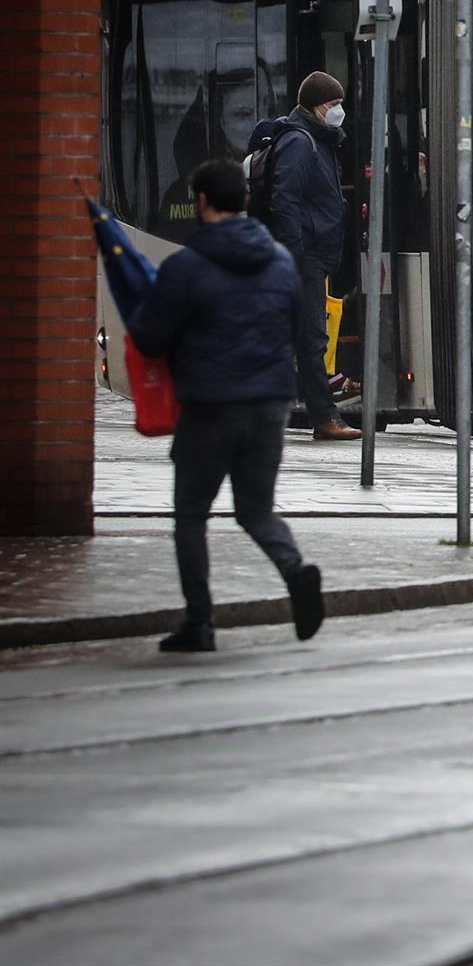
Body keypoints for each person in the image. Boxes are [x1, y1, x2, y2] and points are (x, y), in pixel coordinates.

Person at [128, 158, 325, 653]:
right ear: (245, 201)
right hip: (271, 405)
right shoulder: (280, 261)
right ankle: (295, 571)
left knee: (191, 513)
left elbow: (150, 338)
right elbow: (299, 330)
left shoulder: (187, 266)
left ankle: (200, 622)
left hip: (211, 407)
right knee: (256, 510)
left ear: (201, 203)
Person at [261, 71, 359, 441]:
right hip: (305, 257)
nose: (339, 112)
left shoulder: (320, 139)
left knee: (300, 335)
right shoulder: (301, 143)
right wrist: (297, 253)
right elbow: (285, 199)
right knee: (312, 337)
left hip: (313, 255)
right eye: (334, 105)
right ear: (318, 106)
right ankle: (323, 418)